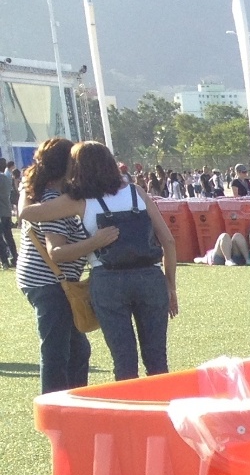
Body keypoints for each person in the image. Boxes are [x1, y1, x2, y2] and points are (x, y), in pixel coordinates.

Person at [21, 139, 176, 381]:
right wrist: (170, 285)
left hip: (108, 280)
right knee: (158, 361)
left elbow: (27, 213)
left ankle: (128, 415)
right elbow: (168, 241)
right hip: (150, 276)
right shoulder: (137, 192)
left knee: (124, 363)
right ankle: (163, 413)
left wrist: (25, 188)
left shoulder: (80, 200)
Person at [15, 139, 111, 393]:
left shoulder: (48, 196)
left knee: (77, 349)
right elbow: (56, 252)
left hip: (47, 281)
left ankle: (72, 403)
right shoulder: (54, 200)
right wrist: (95, 242)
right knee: (57, 350)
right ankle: (57, 408)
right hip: (49, 282)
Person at [0, 159, 16, 269]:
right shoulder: (6, 177)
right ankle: (15, 257)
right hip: (6, 210)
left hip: (1, 211)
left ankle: (4, 260)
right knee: (9, 236)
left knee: (1, 238)